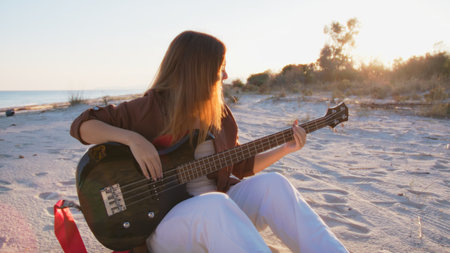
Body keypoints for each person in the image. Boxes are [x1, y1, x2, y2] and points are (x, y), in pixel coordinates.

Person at [70, 30, 348, 253]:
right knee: (214, 205)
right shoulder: (151, 108)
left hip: (220, 213)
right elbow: (82, 125)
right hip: (163, 228)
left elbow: (241, 166)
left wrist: (286, 148)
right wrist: (131, 139)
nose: (226, 76)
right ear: (197, 71)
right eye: (221, 68)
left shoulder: (219, 113)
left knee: (275, 185)